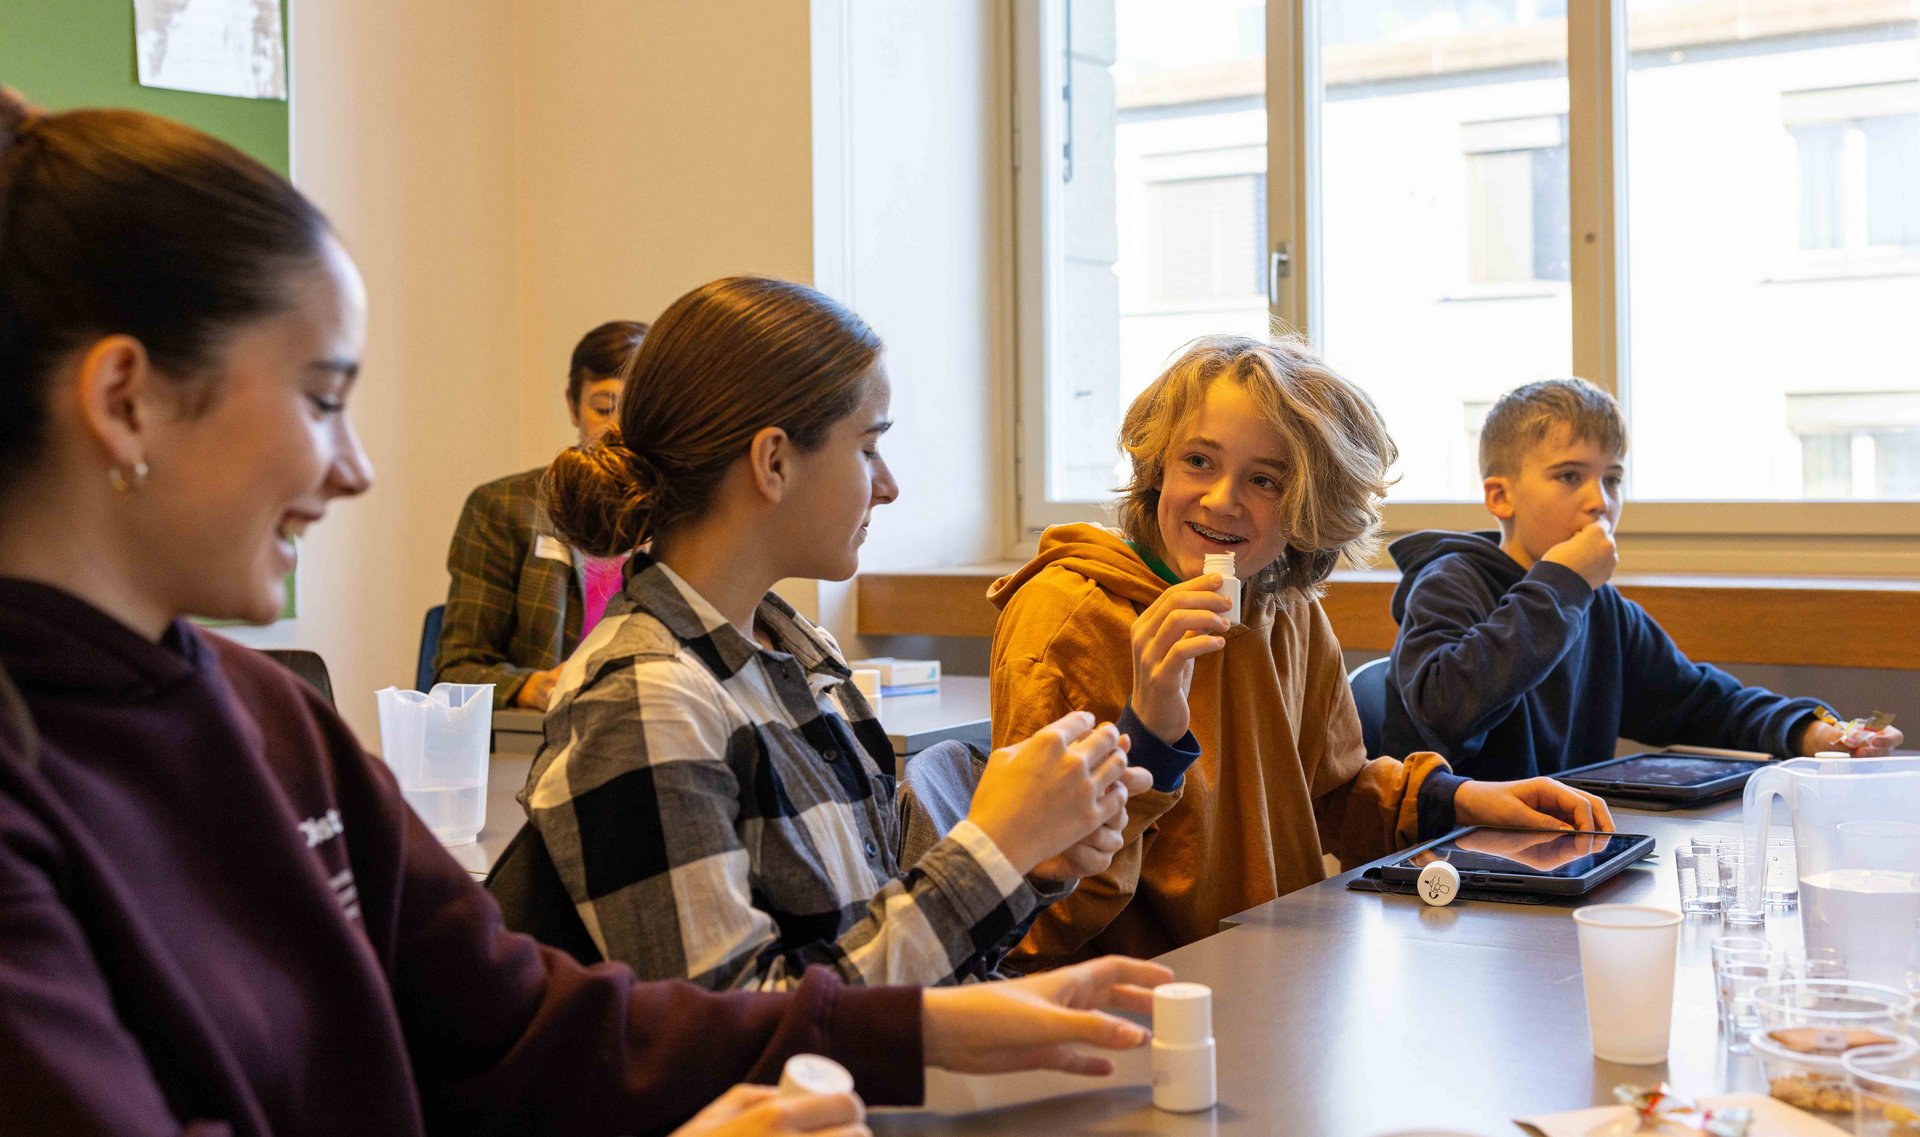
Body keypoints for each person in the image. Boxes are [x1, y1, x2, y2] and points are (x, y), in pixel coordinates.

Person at [0, 90, 1172, 1137]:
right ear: (125, 401)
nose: (354, 468)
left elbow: (535, 1026)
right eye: (321, 399)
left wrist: (931, 1025)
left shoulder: (269, 719)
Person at [527, 275, 1153, 991]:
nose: (888, 486)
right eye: (867, 448)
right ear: (773, 462)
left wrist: (1029, 863)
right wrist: (996, 850)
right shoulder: (644, 699)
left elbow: (886, 938)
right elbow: (742, 1029)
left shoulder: (802, 654)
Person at [986, 335, 1615, 970]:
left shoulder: (1283, 606)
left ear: (1308, 510)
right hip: (1137, 995)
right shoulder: (1067, 619)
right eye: (1198, 461)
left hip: (1280, 967)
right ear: (1157, 468)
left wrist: (1462, 800)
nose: (1221, 500)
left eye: (1265, 480)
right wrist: (1148, 736)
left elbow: (1332, 795)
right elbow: (1036, 923)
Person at [1380, 377, 1903, 779]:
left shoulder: (1597, 605)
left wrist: (1806, 731)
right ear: (1500, 497)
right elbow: (1446, 712)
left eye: (1612, 479)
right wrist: (1562, 583)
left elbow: (1700, 702)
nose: (1600, 501)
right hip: (1451, 859)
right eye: (1570, 476)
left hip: (1562, 850)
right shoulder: (1449, 583)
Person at [434, 319, 648, 710]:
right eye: (604, 409)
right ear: (573, 406)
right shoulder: (505, 507)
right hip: (540, 733)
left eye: (637, 411)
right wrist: (535, 686)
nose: (619, 428)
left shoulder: (684, 518)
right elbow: (456, 672)